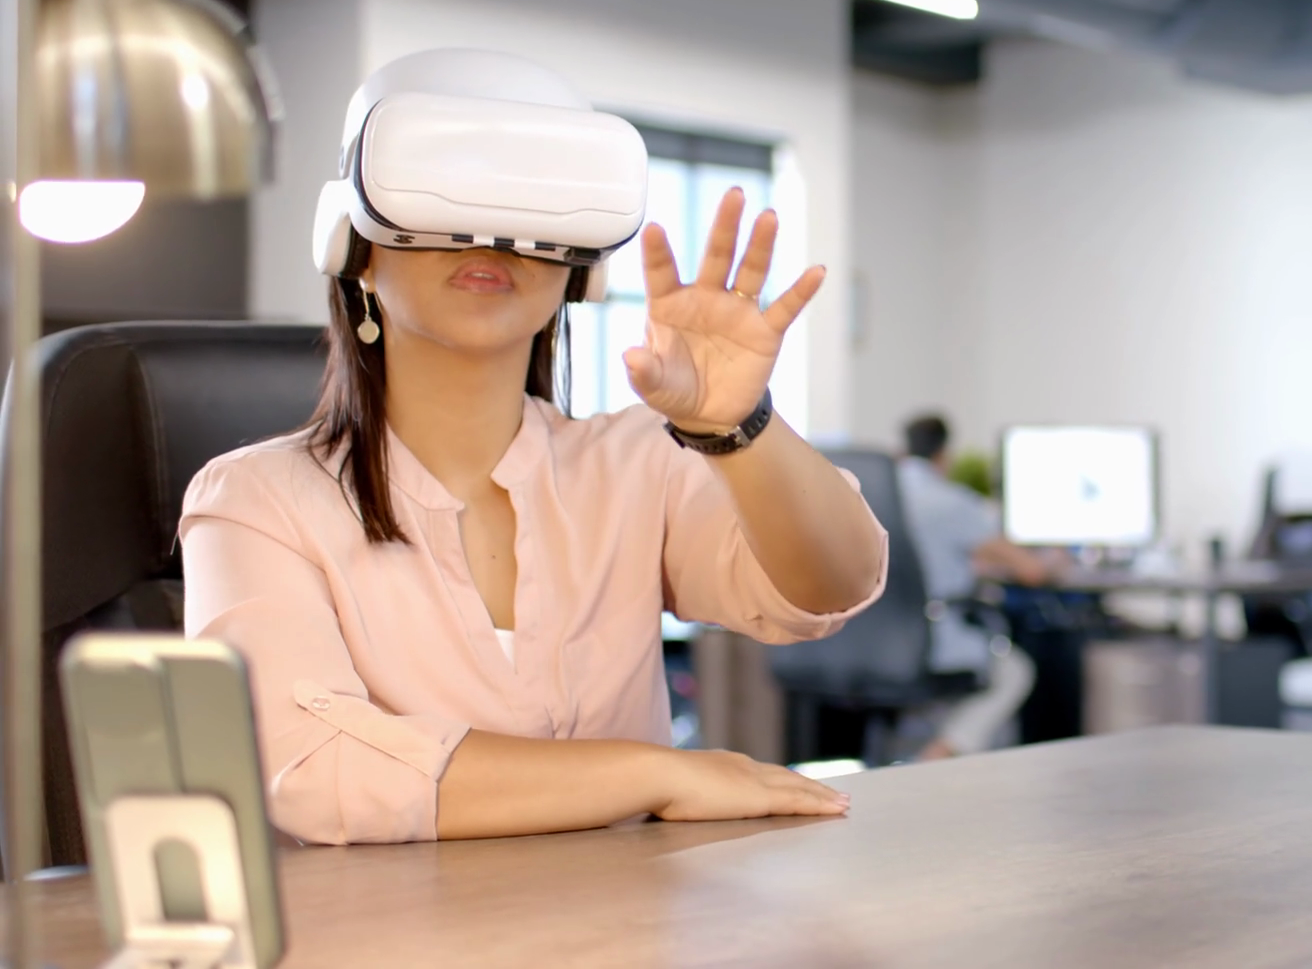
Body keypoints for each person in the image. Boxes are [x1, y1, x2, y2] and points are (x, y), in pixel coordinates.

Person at [180, 50, 887, 845]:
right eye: (444, 189)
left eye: (533, 206)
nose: (492, 237)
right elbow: (313, 767)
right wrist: (655, 773)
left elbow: (831, 589)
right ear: (355, 247)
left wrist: (739, 425)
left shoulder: (638, 461)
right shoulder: (255, 500)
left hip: (632, 912)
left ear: (579, 270)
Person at [895, 415, 1047, 760]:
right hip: (933, 638)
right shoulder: (950, 501)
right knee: (1016, 671)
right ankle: (941, 751)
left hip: (874, 643)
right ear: (944, 456)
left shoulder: (874, 495)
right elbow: (1031, 571)